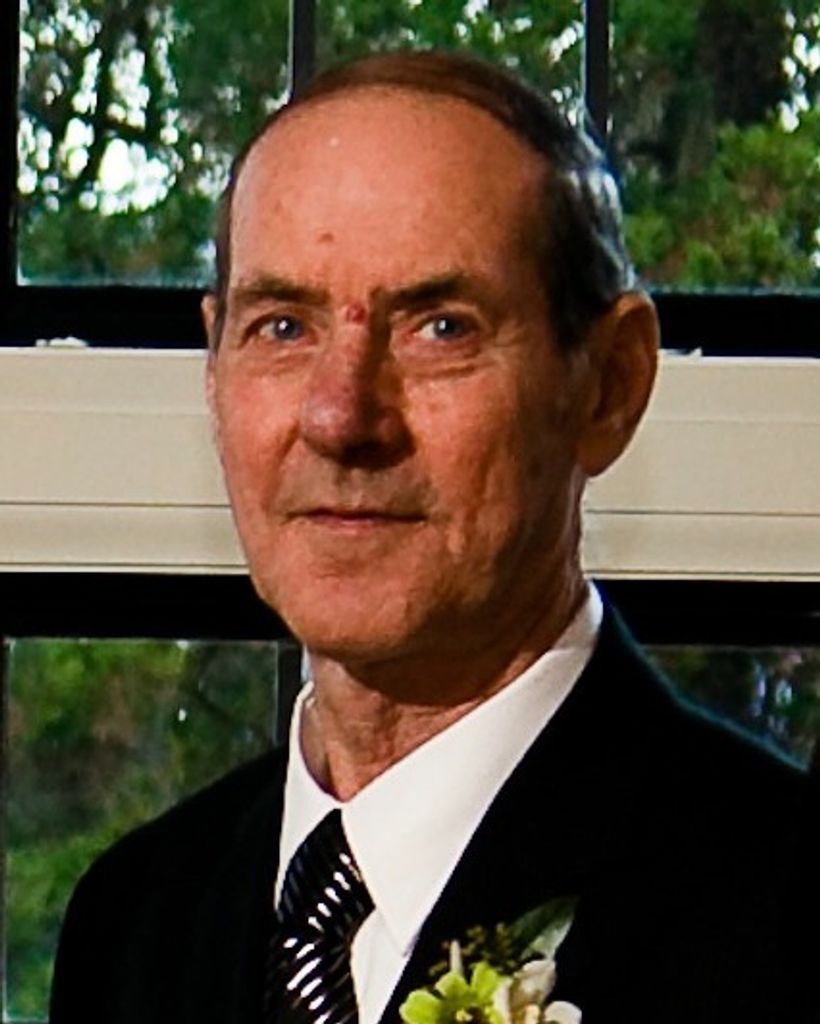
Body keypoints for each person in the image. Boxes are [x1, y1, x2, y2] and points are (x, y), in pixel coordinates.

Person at [49, 51, 815, 1024]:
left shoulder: (788, 916)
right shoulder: (135, 918)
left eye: (440, 328)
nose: (340, 414)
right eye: (282, 327)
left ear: (609, 387)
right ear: (214, 368)